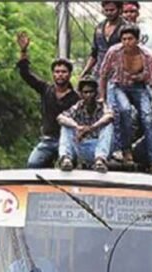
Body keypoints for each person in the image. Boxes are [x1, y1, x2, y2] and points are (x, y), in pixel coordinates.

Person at [98, 24, 152, 173]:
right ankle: (125, 149)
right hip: (118, 84)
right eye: (124, 39)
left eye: (130, 39)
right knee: (124, 110)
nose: (127, 42)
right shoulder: (114, 51)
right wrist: (102, 98)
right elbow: (103, 74)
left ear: (137, 40)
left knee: (148, 117)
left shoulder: (149, 56)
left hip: (140, 87)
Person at [17, 32, 79, 168]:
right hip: (48, 140)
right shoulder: (45, 89)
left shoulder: (76, 98)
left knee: (71, 169)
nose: (60, 75)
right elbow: (25, 74)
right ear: (53, 74)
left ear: (69, 74)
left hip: (68, 141)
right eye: (57, 72)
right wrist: (23, 51)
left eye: (63, 72)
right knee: (33, 164)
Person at [56, 78, 115, 172]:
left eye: (91, 92)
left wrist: (92, 128)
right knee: (66, 126)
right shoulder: (77, 107)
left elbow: (109, 116)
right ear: (81, 94)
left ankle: (100, 161)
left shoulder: (102, 106)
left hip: (99, 147)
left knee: (108, 126)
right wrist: (77, 127)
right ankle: (66, 159)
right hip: (82, 146)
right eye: (86, 92)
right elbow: (60, 118)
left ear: (96, 93)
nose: (89, 95)